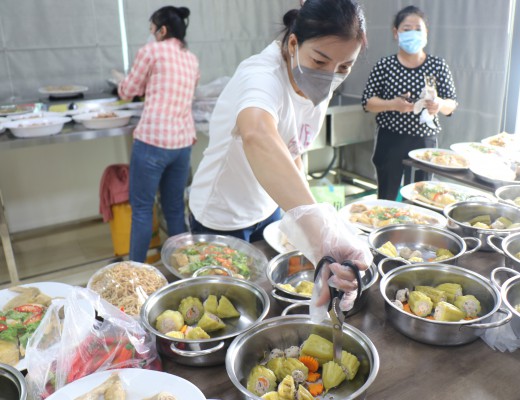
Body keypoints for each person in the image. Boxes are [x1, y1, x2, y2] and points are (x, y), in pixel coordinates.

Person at [188, 0, 371, 312]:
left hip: (270, 209)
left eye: (344, 67)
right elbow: (257, 134)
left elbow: (293, 151)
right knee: (229, 308)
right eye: (320, 61)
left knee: (272, 295)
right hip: (222, 214)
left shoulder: (316, 84)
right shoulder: (260, 74)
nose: (330, 75)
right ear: (293, 43)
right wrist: (319, 233)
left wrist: (319, 217)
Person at [116, 6, 200, 263]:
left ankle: (136, 272)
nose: (151, 35)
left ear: (162, 30)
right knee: (174, 209)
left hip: (153, 141)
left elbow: (128, 91)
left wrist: (120, 80)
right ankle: (184, 269)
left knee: (142, 210)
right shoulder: (191, 58)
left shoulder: (151, 51)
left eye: (152, 30)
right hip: (182, 143)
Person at [362, 5, 457, 200]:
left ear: (426, 33)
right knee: (387, 196)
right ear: (396, 33)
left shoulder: (438, 65)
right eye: (407, 29)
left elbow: (451, 104)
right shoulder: (385, 65)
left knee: (422, 197)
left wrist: (439, 104)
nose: (413, 33)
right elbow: (367, 102)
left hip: (424, 141)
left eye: (418, 29)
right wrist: (392, 104)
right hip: (391, 139)